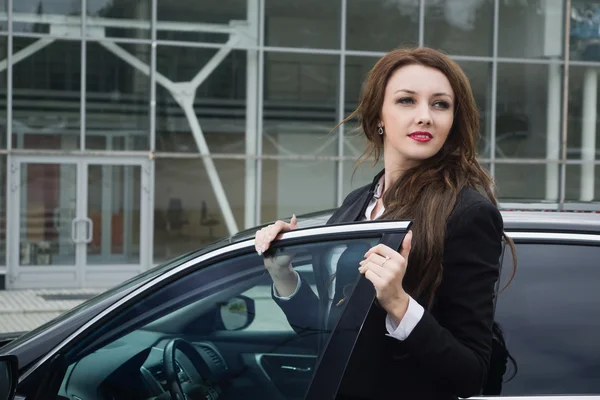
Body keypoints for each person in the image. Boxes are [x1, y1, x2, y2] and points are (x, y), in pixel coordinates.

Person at [254, 47, 516, 399]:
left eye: (440, 104)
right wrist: (284, 276)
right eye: (407, 100)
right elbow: (329, 335)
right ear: (379, 114)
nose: (425, 116)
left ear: (454, 120)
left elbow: (470, 374)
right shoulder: (355, 205)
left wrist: (399, 304)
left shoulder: (467, 212)